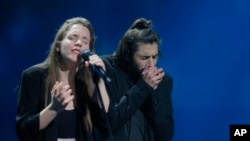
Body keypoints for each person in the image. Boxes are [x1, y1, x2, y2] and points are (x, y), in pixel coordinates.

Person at [15, 17, 110, 141]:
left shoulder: (87, 84)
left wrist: (100, 81)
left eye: (85, 41)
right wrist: (54, 108)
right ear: (58, 46)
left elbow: (106, 123)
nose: (79, 43)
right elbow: (24, 130)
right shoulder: (34, 76)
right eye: (72, 37)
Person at [101, 18, 174, 141]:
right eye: (144, 57)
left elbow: (165, 135)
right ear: (128, 54)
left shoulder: (164, 81)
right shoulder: (106, 69)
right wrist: (143, 86)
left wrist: (154, 93)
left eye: (154, 57)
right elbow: (108, 124)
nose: (151, 64)